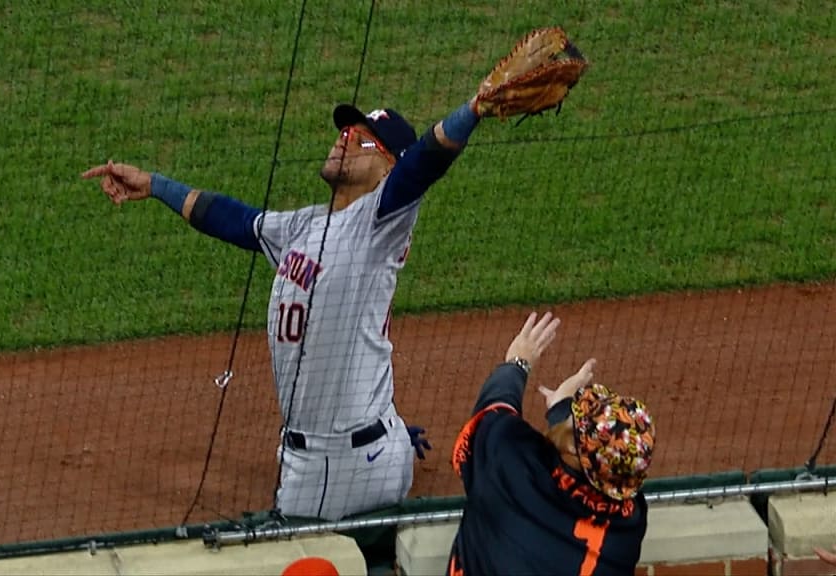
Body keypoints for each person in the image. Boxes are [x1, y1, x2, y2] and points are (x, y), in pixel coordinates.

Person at [81, 92, 492, 520]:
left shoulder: (378, 221)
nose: (344, 139)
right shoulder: (307, 224)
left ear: (389, 168)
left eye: (362, 140)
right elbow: (234, 220)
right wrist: (155, 184)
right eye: (346, 131)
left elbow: (425, 162)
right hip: (365, 445)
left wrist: (475, 107)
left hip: (334, 469)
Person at [446, 312, 657, 576]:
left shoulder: (511, 466)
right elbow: (591, 460)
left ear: (571, 448)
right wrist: (560, 410)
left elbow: (492, 413)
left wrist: (518, 362)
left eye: (576, 418)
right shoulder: (627, 527)